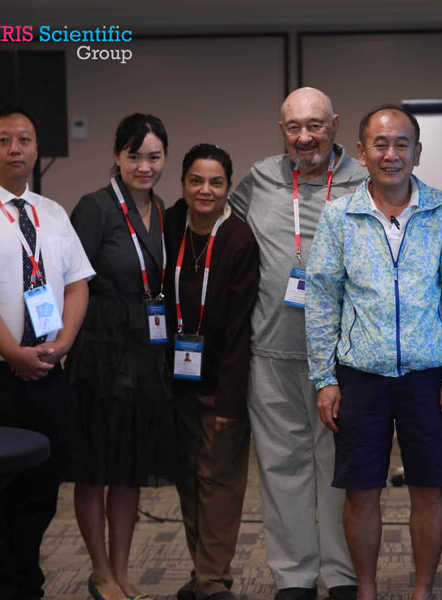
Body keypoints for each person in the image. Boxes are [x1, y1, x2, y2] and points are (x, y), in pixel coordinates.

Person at [305, 105, 442, 600]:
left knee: (429, 489)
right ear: (362, 153)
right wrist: (325, 378)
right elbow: (322, 300)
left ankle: (422, 590)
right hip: (360, 375)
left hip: (430, 376)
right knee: (361, 491)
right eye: (380, 144)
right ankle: (366, 590)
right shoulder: (340, 215)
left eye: (402, 144)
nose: (391, 154)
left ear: (418, 152)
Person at [0, 106, 94, 600]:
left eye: (25, 140)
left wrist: (63, 344)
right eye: (4, 140)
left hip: (47, 373)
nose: (16, 149)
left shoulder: (51, 213)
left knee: (40, 490)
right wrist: (13, 352)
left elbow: (77, 284)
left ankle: (26, 583)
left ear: (36, 148)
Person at [229, 87, 365, 600]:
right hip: (271, 351)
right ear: (281, 130)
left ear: (335, 125)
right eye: (294, 127)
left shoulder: (364, 180)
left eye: (315, 125)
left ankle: (342, 573)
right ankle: (293, 576)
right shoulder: (260, 179)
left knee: (339, 468)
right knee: (280, 468)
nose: (305, 137)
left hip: (343, 356)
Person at [66, 113, 178, 600]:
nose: (144, 166)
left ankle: (122, 571)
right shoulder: (94, 208)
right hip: (101, 355)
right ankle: (100, 572)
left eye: (154, 156)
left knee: (129, 473)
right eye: (135, 156)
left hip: (146, 357)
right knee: (96, 470)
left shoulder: (163, 210)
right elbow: (71, 282)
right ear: (117, 156)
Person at [164, 144, 259, 600]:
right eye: (196, 181)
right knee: (188, 481)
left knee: (219, 484)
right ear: (183, 183)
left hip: (221, 386)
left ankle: (213, 581)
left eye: (216, 182)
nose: (206, 190)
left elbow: (241, 331)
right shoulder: (168, 226)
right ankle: (203, 576)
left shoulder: (238, 239)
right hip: (175, 383)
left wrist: (229, 400)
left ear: (228, 187)